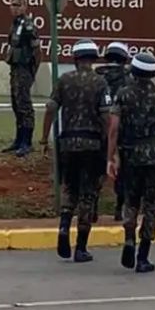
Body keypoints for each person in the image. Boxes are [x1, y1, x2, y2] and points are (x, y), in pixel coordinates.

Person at [39, 40, 113, 264]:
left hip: (68, 143)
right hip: (92, 144)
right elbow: (107, 115)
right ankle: (81, 247)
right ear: (92, 58)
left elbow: (51, 108)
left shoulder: (64, 80)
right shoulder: (100, 82)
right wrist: (111, 144)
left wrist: (44, 138)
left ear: (75, 58)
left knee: (70, 188)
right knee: (88, 194)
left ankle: (63, 227)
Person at [107, 52, 155, 273]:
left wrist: (111, 156)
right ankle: (143, 255)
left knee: (131, 200)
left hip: (130, 154)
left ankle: (129, 239)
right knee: (152, 206)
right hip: (154, 155)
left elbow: (114, 128)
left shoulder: (123, 94)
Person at [4, 0, 40, 156]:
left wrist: (32, 72)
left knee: (24, 105)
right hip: (15, 68)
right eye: (12, 5)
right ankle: (18, 140)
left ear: (25, 6)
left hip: (25, 69)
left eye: (18, 5)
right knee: (16, 103)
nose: (15, 8)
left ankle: (27, 141)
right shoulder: (14, 24)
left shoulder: (28, 25)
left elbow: (36, 50)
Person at [96, 42, 129, 220]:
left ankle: (92, 208)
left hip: (97, 130)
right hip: (121, 132)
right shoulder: (129, 79)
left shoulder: (97, 76)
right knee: (122, 171)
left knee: (97, 171)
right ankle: (119, 207)